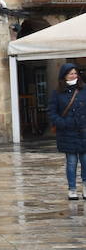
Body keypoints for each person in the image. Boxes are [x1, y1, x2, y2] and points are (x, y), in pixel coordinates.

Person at [49, 63, 86, 201]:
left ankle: (85, 186)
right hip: (67, 133)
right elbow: (52, 113)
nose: (74, 76)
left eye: (75, 73)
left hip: (83, 132)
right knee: (71, 162)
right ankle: (72, 189)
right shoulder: (57, 93)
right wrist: (62, 123)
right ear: (64, 75)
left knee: (85, 161)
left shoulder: (84, 90)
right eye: (71, 73)